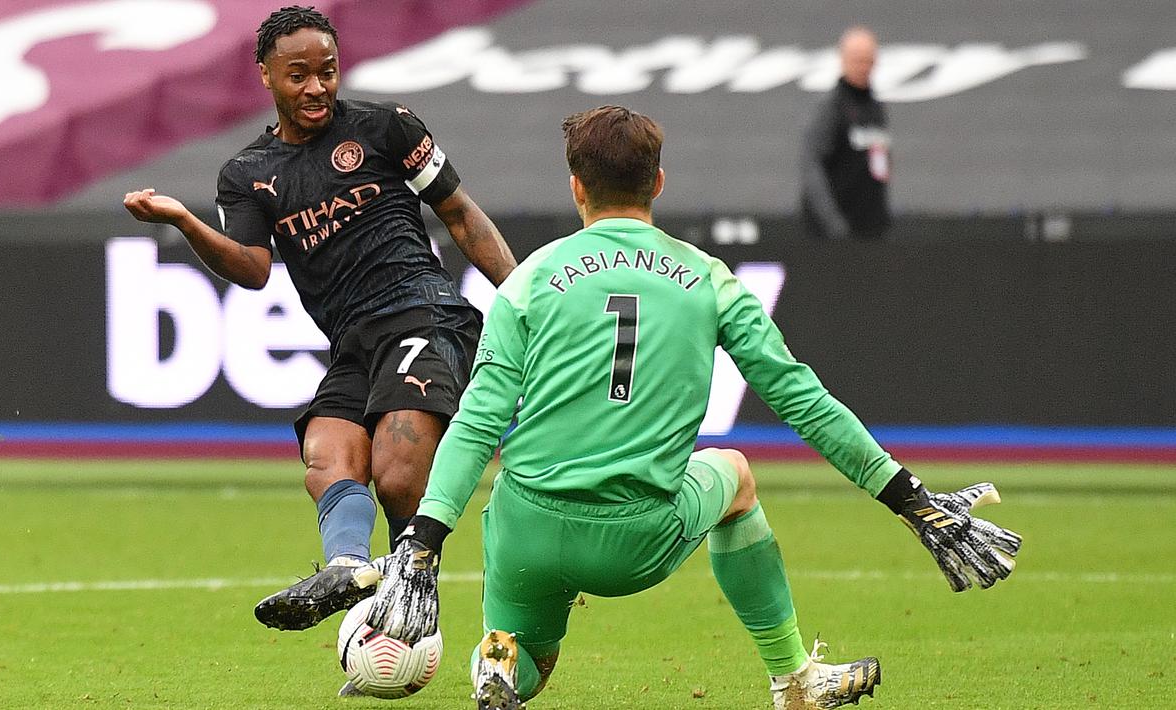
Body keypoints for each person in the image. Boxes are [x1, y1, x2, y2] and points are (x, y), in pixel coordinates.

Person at [366, 106, 1021, 710]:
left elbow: (479, 419)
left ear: (576, 187)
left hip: (526, 527)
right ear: (657, 183)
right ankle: (793, 678)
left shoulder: (530, 279)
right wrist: (909, 498)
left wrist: (422, 542)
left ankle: (497, 658)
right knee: (733, 473)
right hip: (634, 541)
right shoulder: (708, 279)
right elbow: (804, 403)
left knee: (532, 650)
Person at [122, 5, 517, 635]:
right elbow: (252, 270)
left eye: (327, 72)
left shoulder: (387, 128)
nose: (316, 88)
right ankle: (352, 568)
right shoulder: (248, 175)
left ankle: (414, 591)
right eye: (298, 75)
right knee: (327, 455)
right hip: (352, 342)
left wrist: (523, 297)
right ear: (265, 76)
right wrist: (182, 220)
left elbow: (462, 216)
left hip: (425, 314)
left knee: (397, 466)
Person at [800, 26, 892, 240]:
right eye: (858, 60)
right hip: (836, 233)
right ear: (843, 60)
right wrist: (833, 223)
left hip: (872, 229)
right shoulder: (830, 109)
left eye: (868, 60)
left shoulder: (875, 109)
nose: (864, 67)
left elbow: (879, 165)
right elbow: (811, 165)